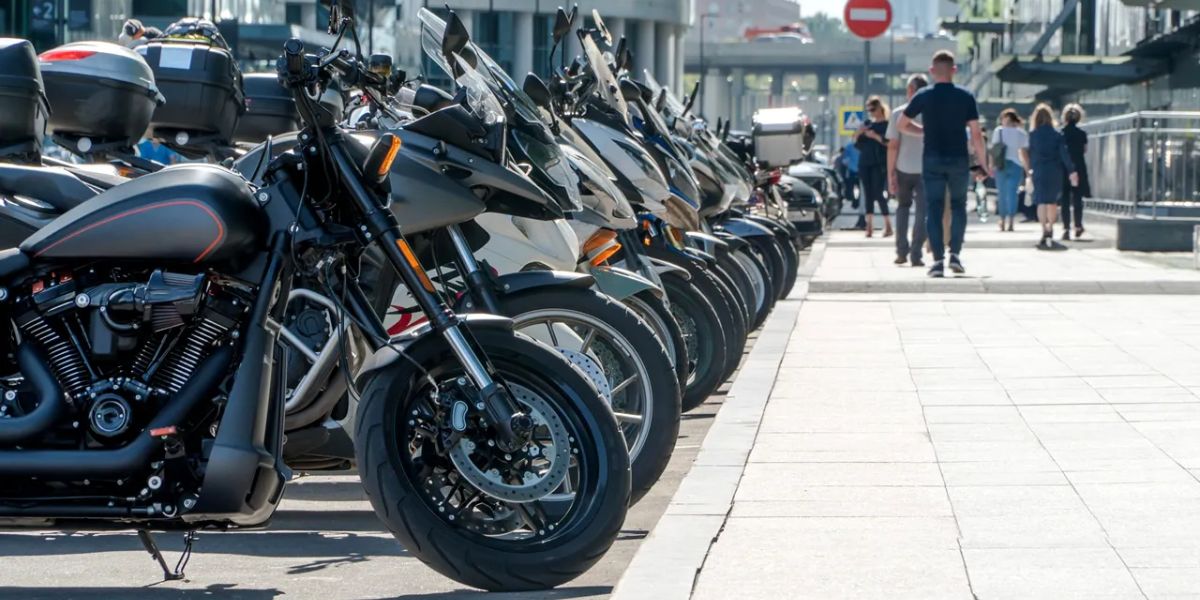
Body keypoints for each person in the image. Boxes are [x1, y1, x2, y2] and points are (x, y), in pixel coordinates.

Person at [898, 50, 988, 278]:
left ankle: (937, 261)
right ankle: (955, 255)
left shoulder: (923, 95)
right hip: (958, 159)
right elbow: (976, 134)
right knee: (958, 206)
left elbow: (901, 124)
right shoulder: (966, 96)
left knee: (934, 208)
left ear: (931, 71)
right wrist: (983, 164)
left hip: (932, 160)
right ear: (954, 71)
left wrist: (923, 131)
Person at [887, 74, 929, 265]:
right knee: (923, 212)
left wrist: (891, 173)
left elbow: (893, 145)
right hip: (926, 170)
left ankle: (901, 251)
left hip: (903, 168)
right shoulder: (931, 113)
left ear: (911, 91)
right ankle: (916, 253)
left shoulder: (898, 113)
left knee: (902, 208)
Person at [1027, 103, 1079, 249]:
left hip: (1039, 170)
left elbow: (1029, 154)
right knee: (1052, 201)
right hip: (1054, 170)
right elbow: (1064, 154)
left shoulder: (1033, 135)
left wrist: (1028, 171)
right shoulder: (1057, 135)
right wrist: (1071, 170)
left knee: (1041, 201)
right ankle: (1051, 226)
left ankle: (1044, 228)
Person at [854, 96, 892, 238]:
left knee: (878, 192)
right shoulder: (868, 124)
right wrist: (859, 132)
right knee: (868, 193)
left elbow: (889, 143)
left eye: (873, 109)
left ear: (880, 108)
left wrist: (875, 136)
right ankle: (869, 226)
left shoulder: (887, 125)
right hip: (865, 162)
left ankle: (888, 225)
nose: (870, 112)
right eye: (868, 109)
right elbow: (857, 144)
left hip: (879, 163)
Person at [990, 108, 1031, 232]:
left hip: (1001, 165)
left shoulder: (999, 131)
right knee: (1013, 193)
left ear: (1003, 119)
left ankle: (1002, 220)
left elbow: (994, 150)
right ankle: (1011, 222)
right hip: (1016, 165)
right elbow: (1024, 152)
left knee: (1002, 193)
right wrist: (1028, 169)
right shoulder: (1021, 133)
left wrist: (991, 165)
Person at [1059, 103, 1090, 240]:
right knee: (1077, 198)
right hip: (1079, 168)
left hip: (1065, 168)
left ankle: (1066, 228)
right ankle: (1078, 225)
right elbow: (1084, 150)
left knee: (1065, 198)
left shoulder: (1061, 133)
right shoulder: (1082, 134)